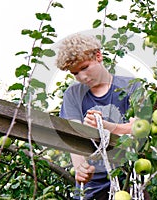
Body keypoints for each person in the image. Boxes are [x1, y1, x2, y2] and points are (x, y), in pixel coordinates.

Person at [56, 33, 140, 199]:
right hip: (92, 185)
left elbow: (138, 129)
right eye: (75, 73)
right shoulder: (73, 94)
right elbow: (73, 136)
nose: (82, 77)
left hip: (128, 178)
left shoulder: (131, 86)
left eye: (85, 67)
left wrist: (106, 127)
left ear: (98, 56)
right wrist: (80, 168)